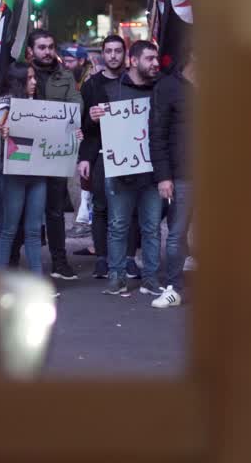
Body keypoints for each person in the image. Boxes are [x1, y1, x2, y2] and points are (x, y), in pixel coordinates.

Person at [87, 40, 163, 298]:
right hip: (120, 172)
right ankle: (116, 277)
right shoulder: (110, 90)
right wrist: (93, 116)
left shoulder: (159, 89)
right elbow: (90, 128)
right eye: (150, 59)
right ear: (134, 60)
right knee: (118, 225)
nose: (155, 64)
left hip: (152, 172)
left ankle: (151, 279)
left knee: (151, 227)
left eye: (156, 59)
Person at [27, 29, 83, 280]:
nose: (47, 51)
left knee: (55, 210)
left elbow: (76, 103)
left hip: (54, 151)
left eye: (50, 46)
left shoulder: (65, 76)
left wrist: (60, 118)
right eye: (42, 47)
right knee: (22, 211)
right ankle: (16, 265)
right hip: (25, 152)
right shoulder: (21, 73)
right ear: (31, 51)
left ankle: (59, 262)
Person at [77, 35, 134, 279]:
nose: (113, 55)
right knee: (99, 208)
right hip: (100, 154)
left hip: (132, 153)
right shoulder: (91, 85)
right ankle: (102, 258)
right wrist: (85, 158)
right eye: (108, 51)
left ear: (125, 53)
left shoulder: (134, 81)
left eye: (117, 51)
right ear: (103, 53)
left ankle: (130, 259)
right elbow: (84, 127)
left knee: (131, 209)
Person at [149, 51, 195, 309]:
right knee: (177, 233)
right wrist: (163, 176)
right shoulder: (168, 86)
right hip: (182, 175)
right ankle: (174, 287)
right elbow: (157, 135)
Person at [0, 63, 48, 273]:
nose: (34, 82)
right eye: (29, 78)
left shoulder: (38, 104)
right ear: (18, 81)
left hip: (37, 172)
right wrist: (1, 134)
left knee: (34, 230)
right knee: (8, 229)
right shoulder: (3, 104)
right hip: (12, 173)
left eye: (34, 78)